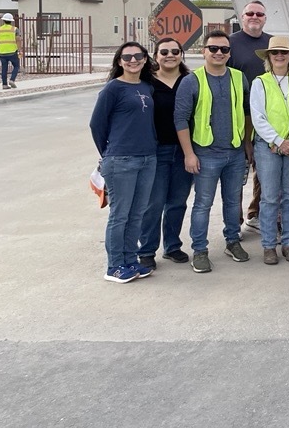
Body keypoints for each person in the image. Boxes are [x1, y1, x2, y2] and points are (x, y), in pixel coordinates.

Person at [174, 31, 252, 273]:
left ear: (230, 53)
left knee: (232, 202)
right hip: (205, 153)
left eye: (224, 49)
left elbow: (247, 113)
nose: (219, 53)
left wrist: (247, 144)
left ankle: (232, 241)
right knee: (203, 204)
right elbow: (180, 119)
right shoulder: (191, 81)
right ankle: (200, 249)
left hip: (235, 153)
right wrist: (189, 153)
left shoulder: (240, 78)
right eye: (213, 48)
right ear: (204, 51)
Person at [89, 41, 157, 283]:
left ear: (145, 59)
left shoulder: (147, 87)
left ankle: (130, 261)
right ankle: (115, 266)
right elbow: (97, 125)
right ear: (119, 61)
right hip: (121, 160)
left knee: (136, 214)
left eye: (138, 55)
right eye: (127, 56)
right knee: (120, 215)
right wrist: (109, 152)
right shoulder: (112, 89)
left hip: (148, 158)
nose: (133, 60)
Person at [250, 36, 289, 265]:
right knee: (270, 197)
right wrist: (277, 141)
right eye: (276, 53)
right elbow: (258, 116)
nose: (280, 56)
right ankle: (268, 245)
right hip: (268, 147)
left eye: (285, 52)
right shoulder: (260, 82)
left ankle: (288, 242)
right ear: (269, 57)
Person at [137, 37, 193, 269]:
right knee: (154, 203)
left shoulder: (191, 81)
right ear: (156, 55)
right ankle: (147, 250)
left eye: (175, 51)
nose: (170, 55)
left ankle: (172, 246)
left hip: (185, 150)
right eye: (164, 51)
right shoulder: (146, 82)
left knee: (177, 201)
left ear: (181, 54)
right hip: (156, 150)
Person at [227, 0, 271, 230]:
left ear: (265, 18)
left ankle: (256, 213)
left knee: (264, 171)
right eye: (250, 13)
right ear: (242, 17)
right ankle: (234, 224)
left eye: (259, 14)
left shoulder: (271, 44)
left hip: (268, 117)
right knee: (238, 172)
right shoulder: (230, 44)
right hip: (238, 117)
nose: (254, 17)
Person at [0, 12, 22, 90]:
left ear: (3, 20)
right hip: (12, 52)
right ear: (11, 21)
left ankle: (4, 85)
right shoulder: (14, 29)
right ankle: (12, 80)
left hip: (2, 52)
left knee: (4, 68)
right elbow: (18, 40)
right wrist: (20, 50)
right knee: (16, 66)